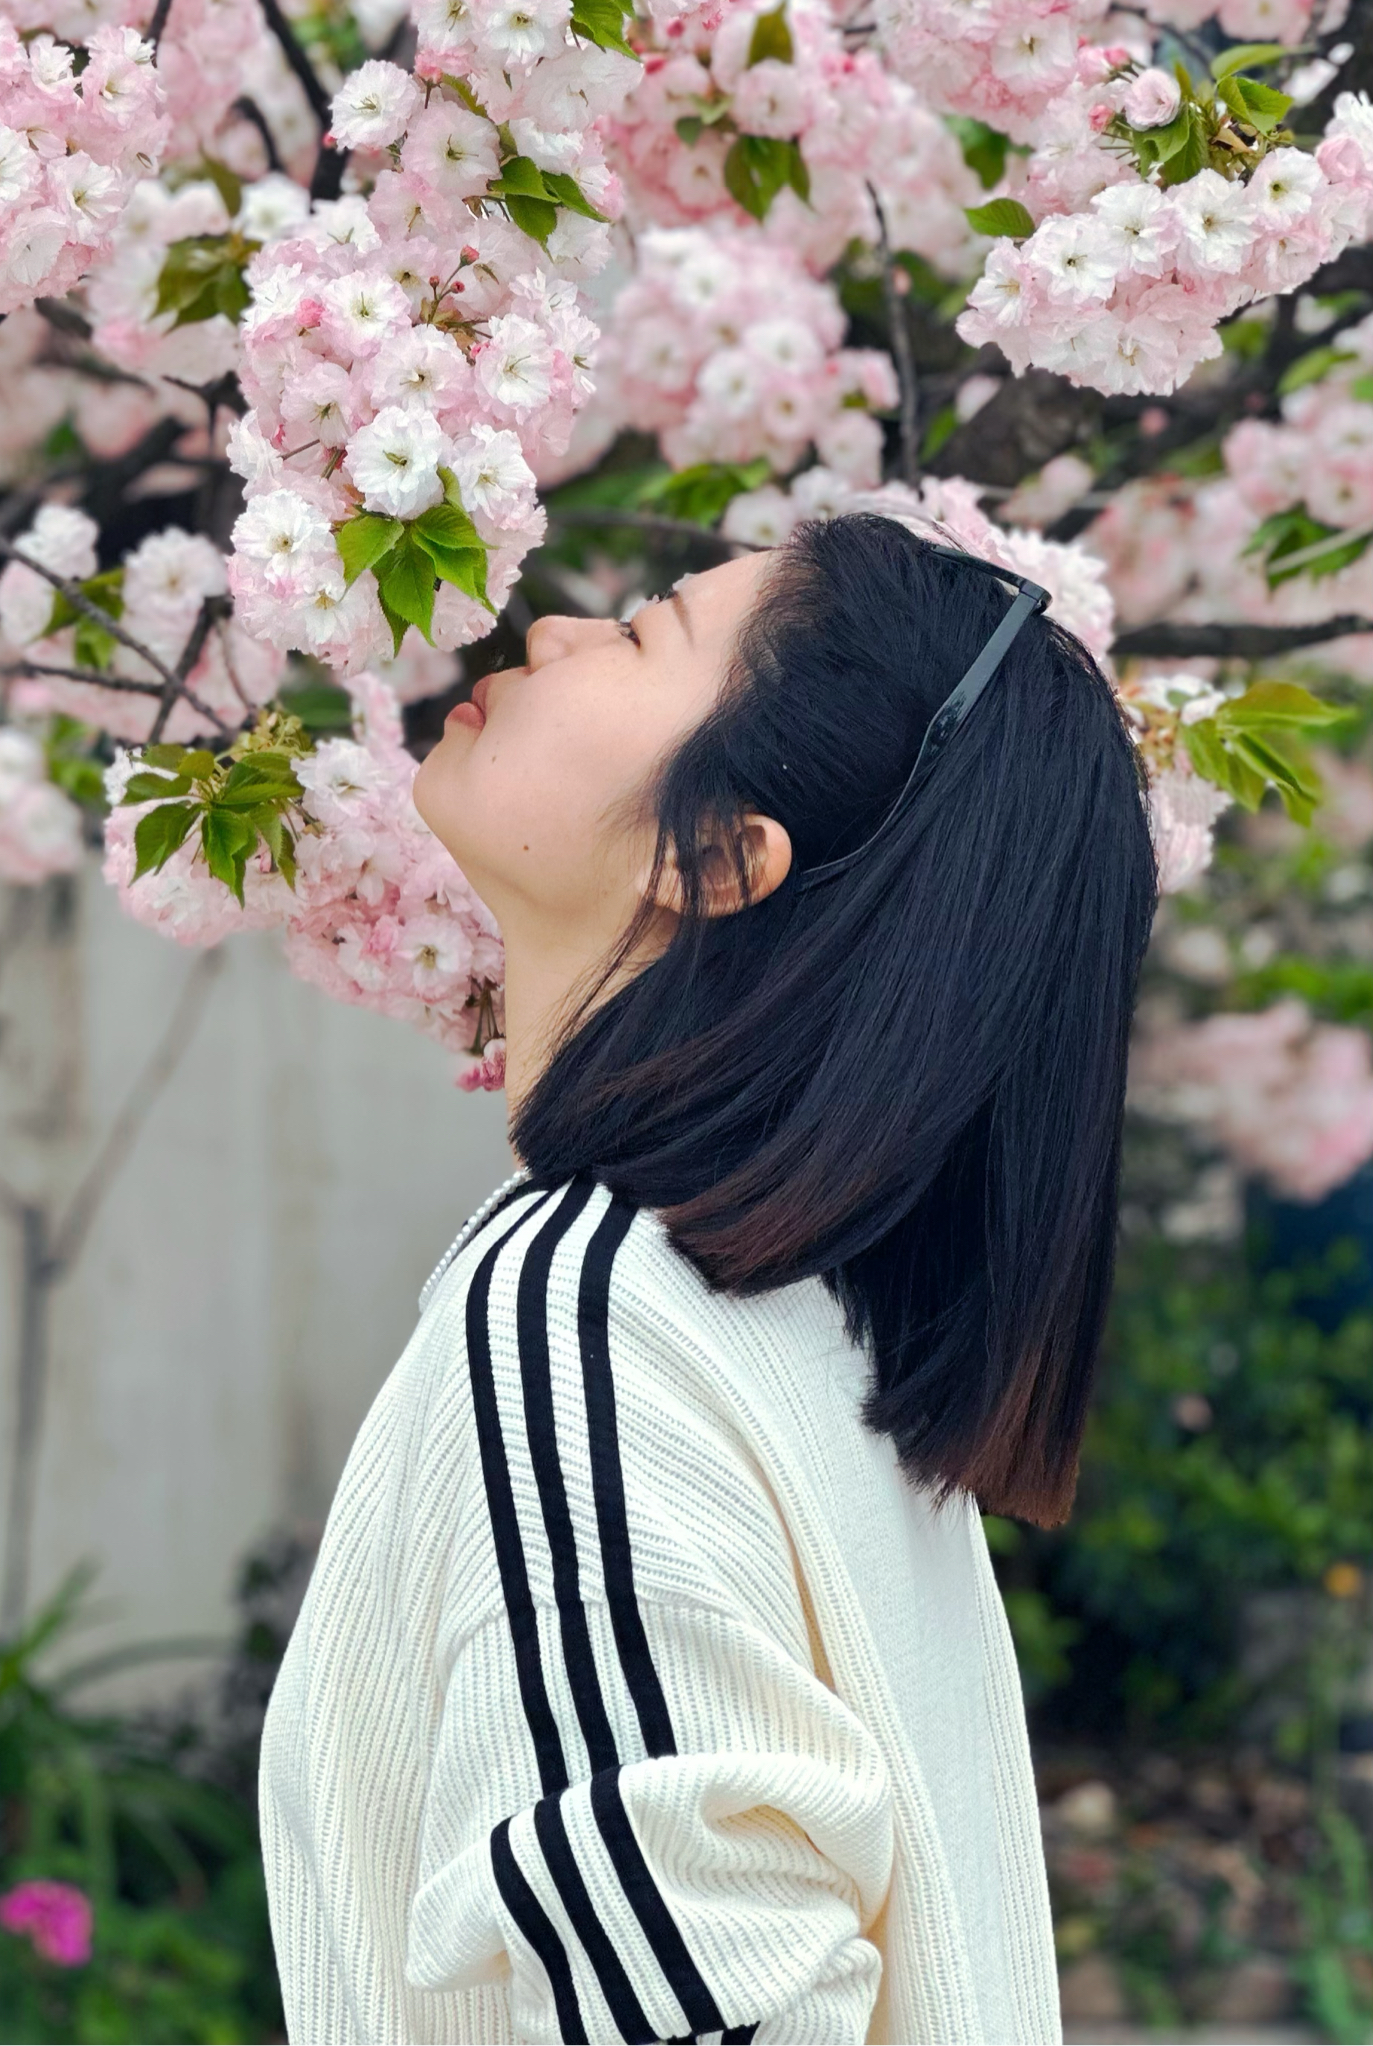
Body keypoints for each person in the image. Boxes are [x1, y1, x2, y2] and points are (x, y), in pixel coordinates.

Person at [259, 507, 1156, 2045]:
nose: (543, 634)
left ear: (728, 854)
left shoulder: (585, 1314)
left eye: (635, 633)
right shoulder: (805, 1343)